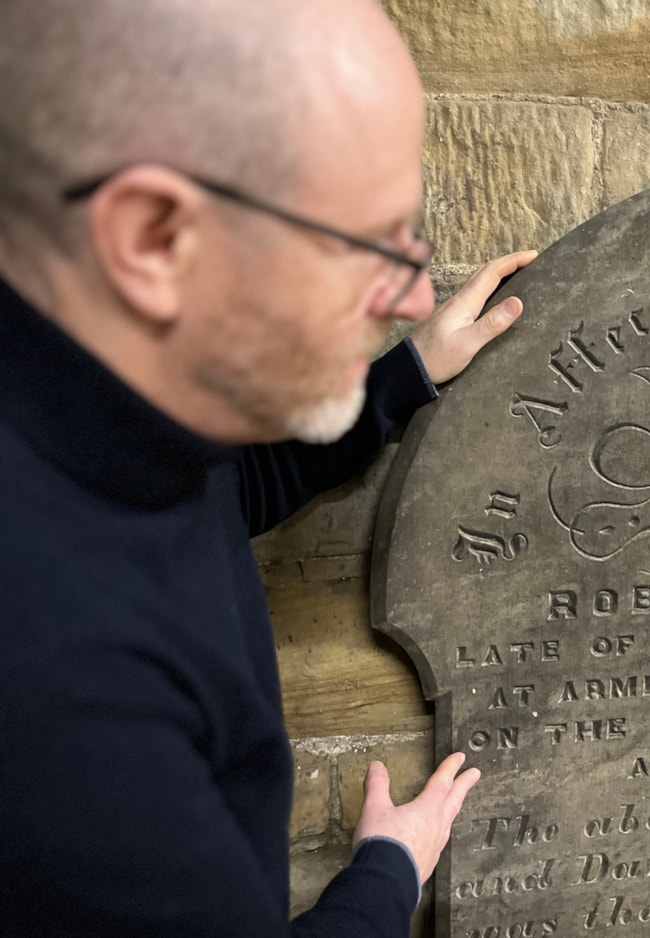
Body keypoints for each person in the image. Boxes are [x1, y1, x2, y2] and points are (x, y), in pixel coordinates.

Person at [0, 1, 535, 934]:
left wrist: (402, 377)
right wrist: (384, 877)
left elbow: (224, 490)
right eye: (366, 244)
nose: (411, 291)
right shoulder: (66, 708)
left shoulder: (99, 404)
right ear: (154, 238)